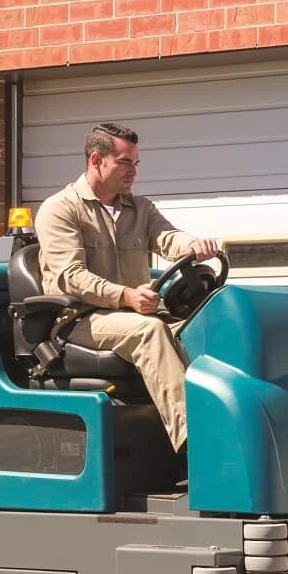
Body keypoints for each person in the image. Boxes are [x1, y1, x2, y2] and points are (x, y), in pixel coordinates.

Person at [34, 122, 219, 451]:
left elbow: (168, 237)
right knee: (150, 332)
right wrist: (127, 295)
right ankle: (199, 447)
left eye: (136, 163)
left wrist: (194, 245)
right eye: (124, 162)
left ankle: (234, 422)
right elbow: (70, 276)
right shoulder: (60, 209)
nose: (133, 171)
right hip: (81, 318)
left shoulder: (140, 208)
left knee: (207, 326)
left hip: (135, 313)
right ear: (96, 160)